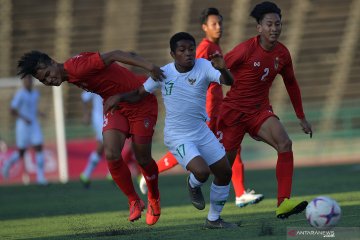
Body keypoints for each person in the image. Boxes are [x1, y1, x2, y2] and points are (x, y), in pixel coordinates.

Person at [104, 32, 237, 229]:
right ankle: (193, 184)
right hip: (178, 136)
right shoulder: (164, 73)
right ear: (173, 53)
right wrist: (120, 97)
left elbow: (229, 82)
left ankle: (213, 219)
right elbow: (140, 93)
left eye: (191, 49)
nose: (188, 53)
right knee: (202, 172)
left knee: (225, 172)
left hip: (201, 131)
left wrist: (223, 69)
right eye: (182, 50)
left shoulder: (204, 66)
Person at [17, 50, 165, 226]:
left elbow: (115, 55)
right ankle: (134, 201)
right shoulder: (69, 74)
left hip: (140, 101)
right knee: (110, 153)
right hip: (116, 106)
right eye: (44, 80)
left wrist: (150, 67)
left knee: (142, 158)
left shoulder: (77, 68)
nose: (49, 80)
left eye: (48, 74)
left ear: (52, 61)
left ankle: (154, 197)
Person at [139, 7, 264, 208]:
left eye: (221, 23)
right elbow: (189, 76)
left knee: (231, 147)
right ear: (204, 27)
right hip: (206, 110)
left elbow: (222, 77)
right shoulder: (204, 49)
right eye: (214, 24)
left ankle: (238, 194)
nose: (219, 27)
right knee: (203, 151)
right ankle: (152, 174)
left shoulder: (214, 48)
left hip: (218, 107)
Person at [218, 1, 313, 219]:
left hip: (259, 111)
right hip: (233, 113)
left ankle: (283, 204)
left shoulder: (282, 54)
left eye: (278, 24)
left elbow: (291, 83)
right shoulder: (244, 50)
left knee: (285, 143)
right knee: (223, 169)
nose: (274, 28)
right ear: (259, 27)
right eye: (269, 24)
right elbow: (218, 68)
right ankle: (212, 211)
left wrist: (301, 116)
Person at [80, 91, 141, 188]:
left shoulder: (115, 78)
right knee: (107, 143)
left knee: (108, 145)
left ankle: (87, 174)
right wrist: (86, 114)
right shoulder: (95, 79)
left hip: (113, 115)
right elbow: (85, 98)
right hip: (99, 117)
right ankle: (109, 174)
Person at [1, 75, 48, 185]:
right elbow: (12, 110)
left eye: (30, 80)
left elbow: (33, 108)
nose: (28, 82)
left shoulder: (36, 93)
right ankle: (7, 164)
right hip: (22, 126)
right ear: (23, 82)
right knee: (21, 152)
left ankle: (40, 177)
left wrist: (40, 113)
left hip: (34, 125)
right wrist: (24, 118)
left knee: (39, 147)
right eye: (26, 80)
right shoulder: (20, 94)